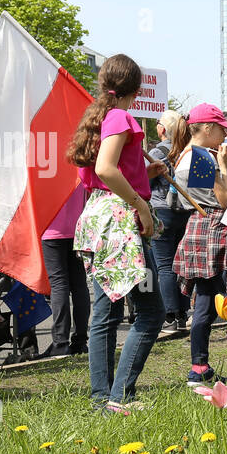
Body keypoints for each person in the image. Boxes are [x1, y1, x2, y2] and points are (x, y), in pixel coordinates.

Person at [67, 53, 168, 414]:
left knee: (105, 314)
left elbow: (98, 174)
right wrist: (141, 205)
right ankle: (119, 395)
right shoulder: (121, 117)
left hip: (98, 219)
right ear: (136, 89)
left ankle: (101, 400)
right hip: (119, 221)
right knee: (151, 312)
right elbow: (106, 168)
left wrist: (146, 174)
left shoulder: (97, 120)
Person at [169, 104, 227, 385]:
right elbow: (226, 200)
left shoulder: (186, 155)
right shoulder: (200, 158)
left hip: (198, 230)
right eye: (222, 128)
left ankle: (199, 367)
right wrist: (224, 167)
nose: (225, 134)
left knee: (206, 302)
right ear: (207, 128)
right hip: (213, 229)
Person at [148, 109, 191, 332]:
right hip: (183, 211)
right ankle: (183, 314)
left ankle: (170, 316)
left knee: (164, 265)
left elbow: (146, 179)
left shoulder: (157, 151)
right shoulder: (185, 150)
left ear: (163, 128)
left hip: (162, 211)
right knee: (180, 263)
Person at [40, 179, 90, 357]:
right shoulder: (80, 158)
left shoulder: (46, 163)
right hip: (78, 228)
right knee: (79, 285)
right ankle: (80, 341)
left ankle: (60, 343)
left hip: (51, 228)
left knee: (59, 285)